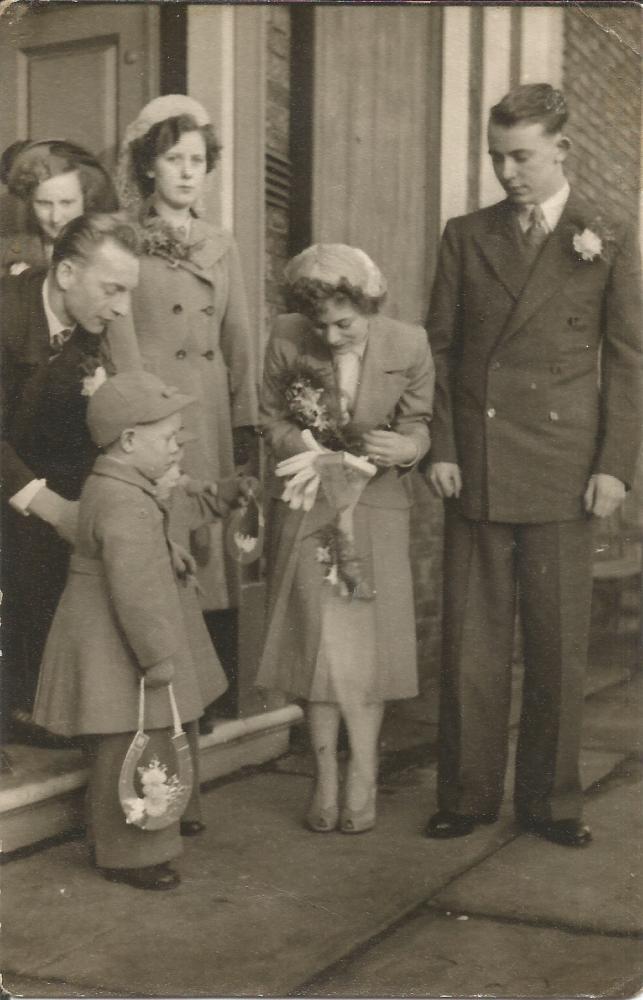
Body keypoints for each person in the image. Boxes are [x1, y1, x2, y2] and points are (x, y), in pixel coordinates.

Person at [424, 84, 641, 847]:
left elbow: (626, 359)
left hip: (561, 466)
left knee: (554, 645)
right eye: (495, 156)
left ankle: (551, 804)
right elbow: (440, 354)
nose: (506, 172)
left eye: (520, 156)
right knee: (472, 646)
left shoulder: (605, 234)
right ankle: (465, 794)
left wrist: (614, 465)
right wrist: (442, 446)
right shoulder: (465, 235)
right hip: (477, 465)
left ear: (560, 150)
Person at [33, 371, 254, 891]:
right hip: (121, 641)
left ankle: (152, 826)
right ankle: (130, 854)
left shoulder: (120, 485)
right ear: (129, 441)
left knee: (139, 737)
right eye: (169, 438)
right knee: (133, 740)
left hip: (115, 634)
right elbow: (135, 589)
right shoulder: (123, 500)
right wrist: (157, 657)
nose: (178, 447)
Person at [257, 244, 434, 834]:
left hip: (377, 505)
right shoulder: (286, 336)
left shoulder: (408, 343)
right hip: (309, 501)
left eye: (345, 323)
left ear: (369, 307)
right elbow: (272, 420)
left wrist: (409, 449)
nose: (331, 337)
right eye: (320, 325)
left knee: (366, 651)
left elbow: (418, 423)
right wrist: (308, 453)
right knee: (320, 644)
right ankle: (325, 777)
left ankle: (363, 774)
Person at [113, 94, 259, 725]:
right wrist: (135, 409)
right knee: (161, 537)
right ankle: (166, 692)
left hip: (207, 415)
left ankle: (212, 691)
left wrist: (246, 420)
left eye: (197, 159)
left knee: (209, 541)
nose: (187, 170)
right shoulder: (124, 239)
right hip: (151, 414)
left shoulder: (221, 244)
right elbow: (117, 328)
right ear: (149, 166)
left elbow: (240, 338)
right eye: (173, 158)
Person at [1, 213, 142, 741]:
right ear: (65, 275)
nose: (123, 307)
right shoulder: (5, 315)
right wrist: (54, 508)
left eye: (128, 291)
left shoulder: (87, 332)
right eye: (112, 289)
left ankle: (33, 705)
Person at [0, 138, 119, 274]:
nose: (56, 218)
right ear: (30, 202)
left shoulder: (112, 252)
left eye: (67, 202)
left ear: (86, 199)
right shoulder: (7, 253)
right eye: (44, 203)